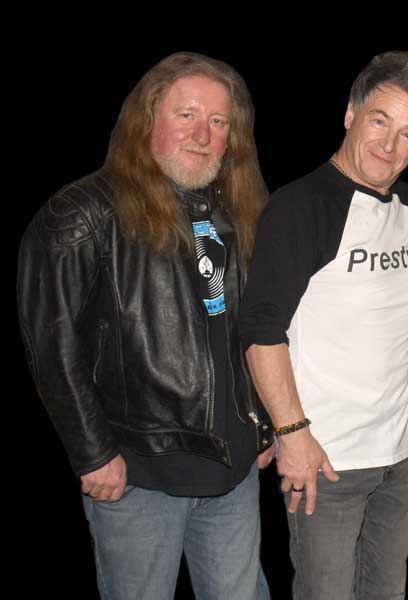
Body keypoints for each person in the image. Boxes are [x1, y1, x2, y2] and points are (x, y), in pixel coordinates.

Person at [17, 52, 273, 600]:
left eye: (218, 121)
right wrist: (92, 454)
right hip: (138, 478)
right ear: (147, 119)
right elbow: (53, 348)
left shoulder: (239, 212)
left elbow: (253, 330)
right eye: (187, 115)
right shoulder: (83, 214)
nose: (202, 134)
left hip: (233, 474)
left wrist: (263, 425)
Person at [239, 51, 408, 598]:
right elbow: (260, 330)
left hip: (398, 455)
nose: (389, 144)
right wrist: (291, 435)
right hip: (325, 462)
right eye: (380, 120)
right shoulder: (300, 206)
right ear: (351, 113)